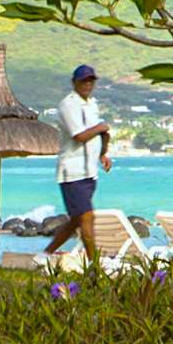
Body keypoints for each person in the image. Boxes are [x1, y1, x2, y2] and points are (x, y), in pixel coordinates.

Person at [41, 63, 111, 257]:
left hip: (90, 172)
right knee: (87, 217)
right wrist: (101, 127)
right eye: (83, 81)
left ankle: (45, 254)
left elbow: (98, 134)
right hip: (72, 173)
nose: (87, 84)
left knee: (76, 220)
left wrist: (102, 153)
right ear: (74, 83)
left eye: (91, 81)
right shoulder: (68, 105)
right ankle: (94, 265)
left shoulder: (92, 104)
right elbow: (79, 136)